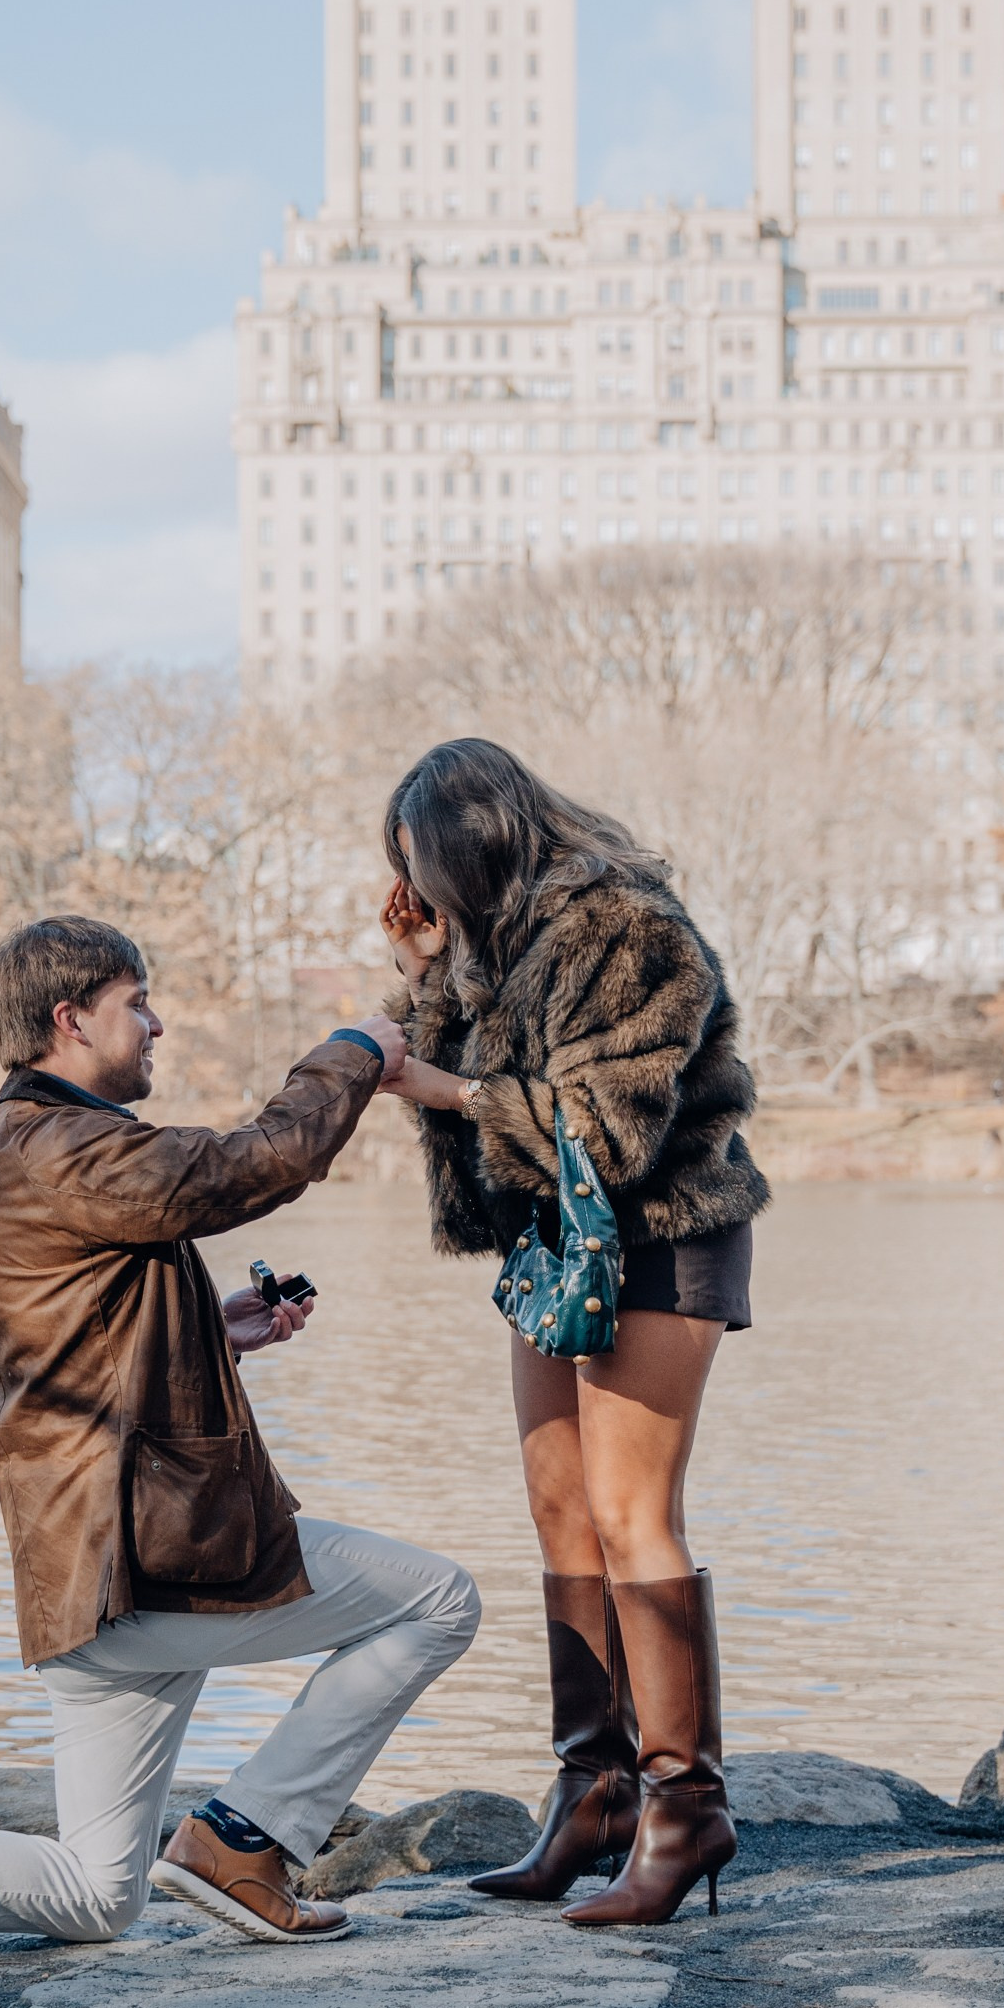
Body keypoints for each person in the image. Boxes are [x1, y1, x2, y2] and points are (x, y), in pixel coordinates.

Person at [0, 914, 478, 1980]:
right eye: (136, 1003)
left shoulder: (33, 1153)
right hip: (149, 1564)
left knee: (96, 1896)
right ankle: (244, 1844)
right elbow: (257, 1162)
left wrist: (221, 1331)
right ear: (70, 1020)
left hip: (86, 1574)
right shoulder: (63, 1146)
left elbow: (74, 1359)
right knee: (437, 1600)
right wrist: (353, 1050)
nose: (155, 1024)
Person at [376, 738, 766, 1927]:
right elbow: (488, 1111)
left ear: (476, 843)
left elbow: (602, 1127)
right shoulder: (498, 943)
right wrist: (429, 976)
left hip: (659, 1230)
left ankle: (684, 1809)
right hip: (556, 1248)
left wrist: (442, 1087)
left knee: (630, 1510)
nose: (416, 889)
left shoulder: (623, 925)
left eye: (420, 867)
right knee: (556, 1507)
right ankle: (592, 1792)